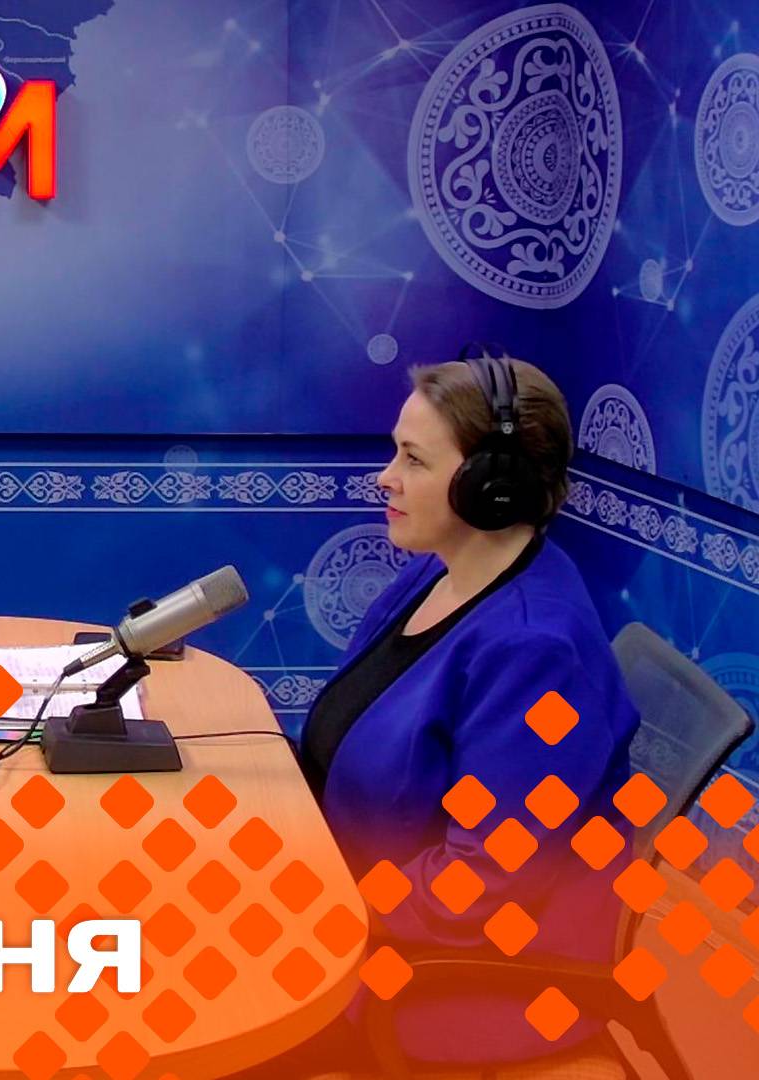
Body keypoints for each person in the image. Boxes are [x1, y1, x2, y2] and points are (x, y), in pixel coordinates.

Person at [258, 348, 641, 1075]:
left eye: (414, 460)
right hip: (357, 908)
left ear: (492, 487)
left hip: (447, 976)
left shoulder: (536, 652)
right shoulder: (437, 576)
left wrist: (313, 912)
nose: (386, 477)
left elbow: (482, 882)